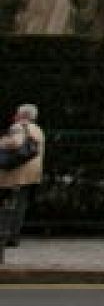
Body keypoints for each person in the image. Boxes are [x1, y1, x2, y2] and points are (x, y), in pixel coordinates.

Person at [0, 104, 45, 248]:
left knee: (8, 206)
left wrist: (2, 142)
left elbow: (15, 143)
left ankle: (5, 236)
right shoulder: (38, 129)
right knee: (20, 206)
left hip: (15, 173)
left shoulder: (18, 127)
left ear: (21, 114)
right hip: (31, 174)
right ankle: (14, 236)